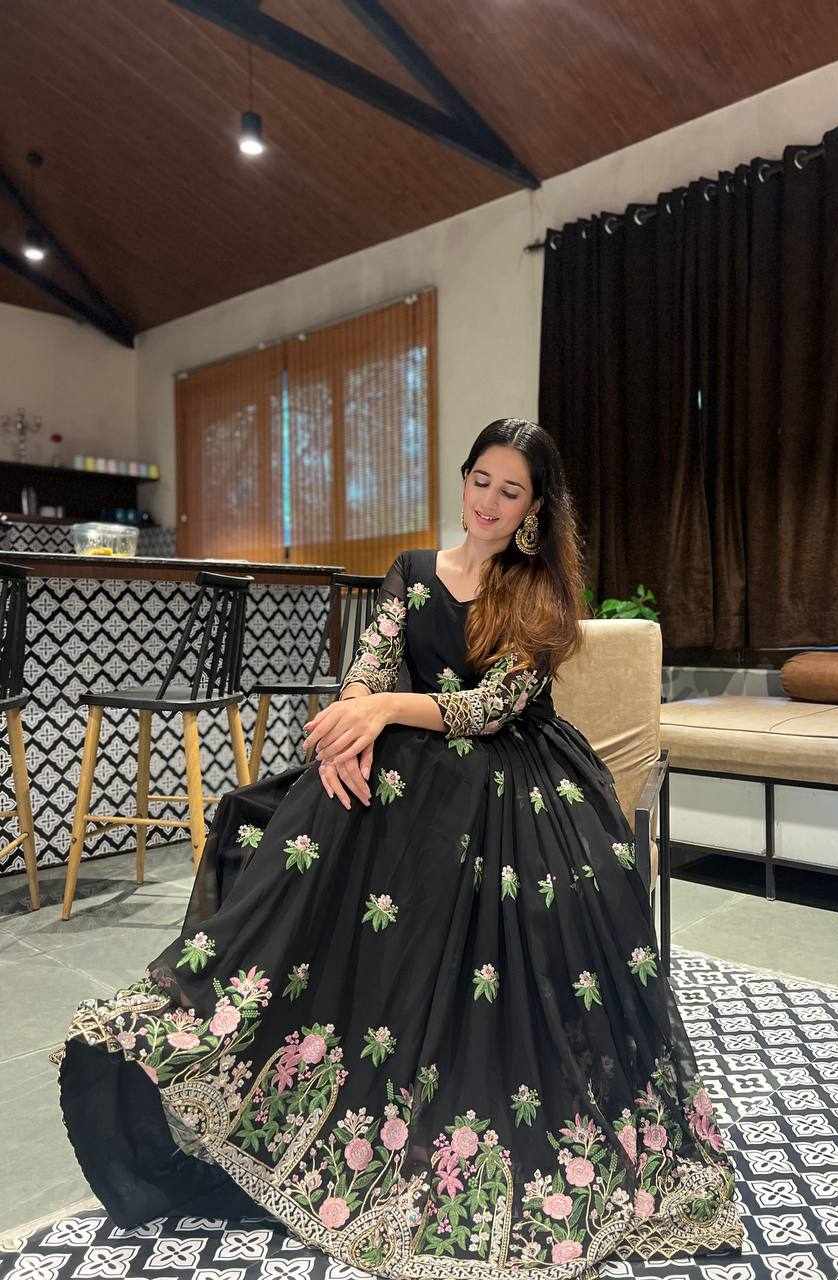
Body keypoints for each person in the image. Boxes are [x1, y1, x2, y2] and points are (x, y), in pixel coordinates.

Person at [58, 418, 743, 1276]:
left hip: (515, 779)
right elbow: (371, 661)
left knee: (440, 840)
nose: (489, 502)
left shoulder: (539, 593)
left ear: (534, 509)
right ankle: (225, 1040)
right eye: (481, 480)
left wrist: (382, 712)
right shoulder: (415, 571)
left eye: (511, 491)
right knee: (279, 813)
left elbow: (488, 709)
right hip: (406, 767)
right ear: (463, 479)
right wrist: (353, 722)